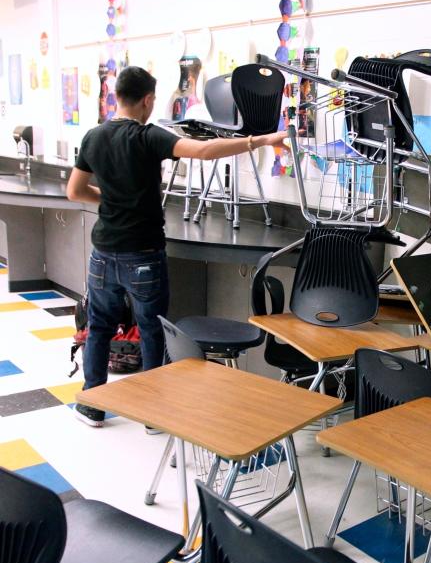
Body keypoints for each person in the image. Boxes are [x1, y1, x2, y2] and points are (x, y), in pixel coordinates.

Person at [67, 66, 287, 427]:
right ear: (148, 100)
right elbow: (203, 151)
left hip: (103, 254)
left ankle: (92, 404)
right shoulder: (149, 136)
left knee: (100, 327)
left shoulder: (93, 137)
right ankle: (153, 413)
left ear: (117, 96)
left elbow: (75, 191)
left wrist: (109, 200)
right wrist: (258, 140)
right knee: (152, 328)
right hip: (143, 255)